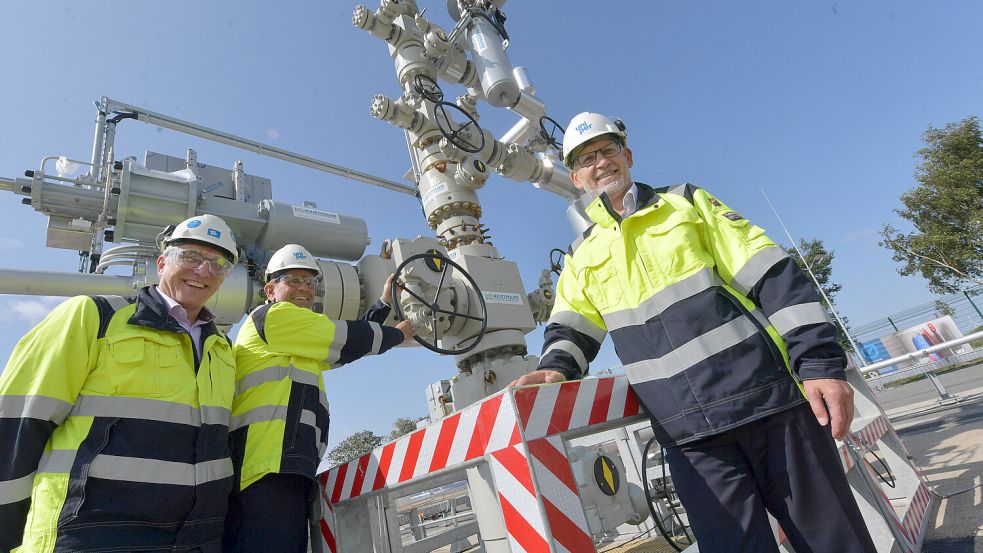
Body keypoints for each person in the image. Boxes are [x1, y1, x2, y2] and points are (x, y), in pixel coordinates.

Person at [513, 112, 877, 552]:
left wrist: (818, 362)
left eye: (609, 150)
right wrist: (555, 370)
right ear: (576, 177)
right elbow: (571, 327)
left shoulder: (686, 203)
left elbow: (772, 274)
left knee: (834, 542)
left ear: (627, 155)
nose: (601, 162)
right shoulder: (581, 255)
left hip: (770, 406)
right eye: (587, 158)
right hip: (689, 439)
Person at [0, 214, 241, 552]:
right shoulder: (94, 317)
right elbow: (17, 425)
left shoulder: (223, 350)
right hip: (92, 533)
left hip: (194, 539)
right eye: (190, 256)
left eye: (217, 263)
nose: (203, 271)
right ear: (161, 263)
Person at [223, 244, 415, 553]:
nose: (304, 288)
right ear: (271, 289)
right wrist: (399, 334)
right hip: (265, 469)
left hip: (280, 466)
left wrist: (384, 303)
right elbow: (344, 336)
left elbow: (346, 347)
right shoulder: (273, 317)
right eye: (293, 280)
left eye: (310, 282)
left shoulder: (297, 342)